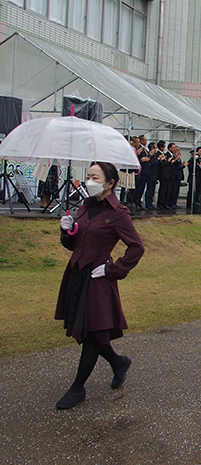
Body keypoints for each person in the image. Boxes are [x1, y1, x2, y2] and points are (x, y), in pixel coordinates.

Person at [55, 162, 145, 410]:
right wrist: (68, 232)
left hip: (98, 280)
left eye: (94, 177)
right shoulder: (86, 207)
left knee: (92, 334)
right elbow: (74, 245)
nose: (88, 180)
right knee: (92, 332)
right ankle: (118, 363)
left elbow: (137, 247)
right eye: (88, 175)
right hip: (77, 275)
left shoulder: (118, 213)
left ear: (109, 183)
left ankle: (77, 388)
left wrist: (112, 269)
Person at [144, 142, 159, 210]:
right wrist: (158, 160)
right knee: (149, 190)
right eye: (155, 148)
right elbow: (151, 163)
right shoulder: (150, 155)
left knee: (152, 190)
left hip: (154, 175)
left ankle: (151, 203)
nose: (156, 149)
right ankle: (148, 203)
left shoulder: (154, 155)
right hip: (150, 175)